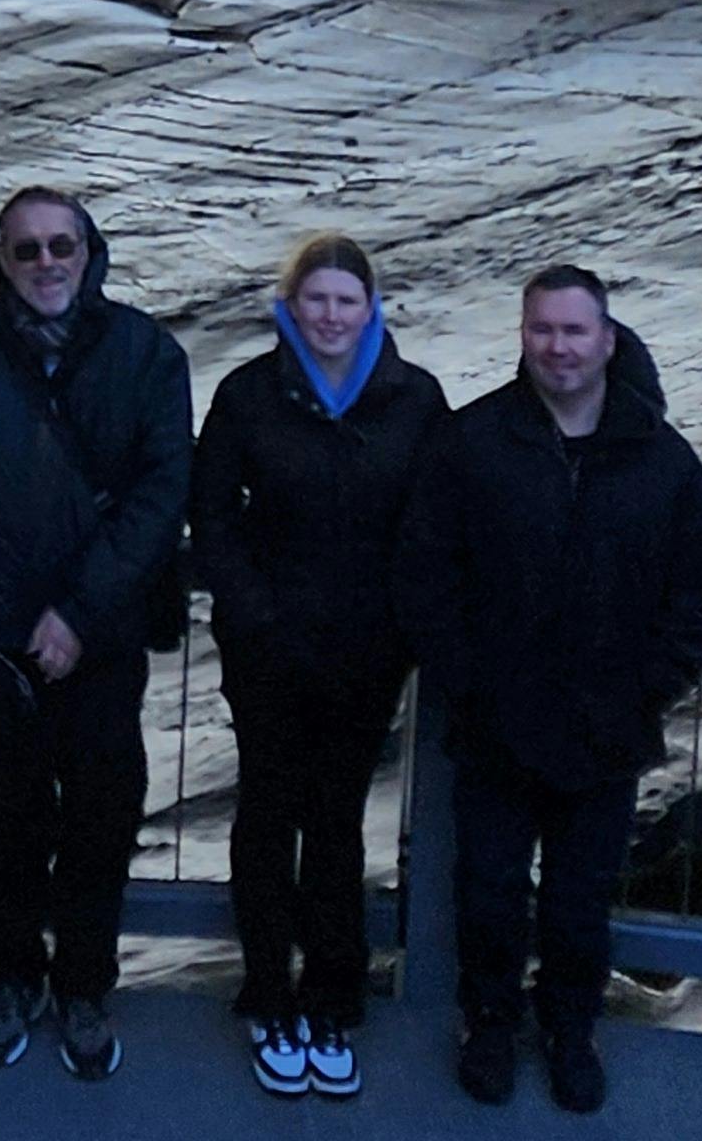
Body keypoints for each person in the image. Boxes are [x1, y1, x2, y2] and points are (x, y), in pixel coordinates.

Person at [396, 267, 702, 1117]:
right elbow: (424, 575)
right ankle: (490, 1025)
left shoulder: (663, 459)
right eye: (543, 330)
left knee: (583, 901)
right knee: (490, 891)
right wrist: (467, 685)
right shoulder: (473, 441)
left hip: (607, 730)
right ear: (523, 337)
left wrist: (647, 691)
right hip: (495, 724)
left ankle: (572, 1032)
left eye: (575, 331)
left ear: (608, 341)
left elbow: (701, 590)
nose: (558, 347)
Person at [0, 185, 193, 1081]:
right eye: (25, 250)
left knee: (104, 817)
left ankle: (85, 987)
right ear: (0, 260)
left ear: (88, 249)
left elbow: (161, 492)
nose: (45, 264)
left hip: (100, 640)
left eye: (60, 245)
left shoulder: (146, 352)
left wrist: (79, 611)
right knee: (9, 819)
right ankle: (12, 979)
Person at [191, 232, 449, 1102]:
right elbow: (213, 519)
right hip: (266, 652)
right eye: (317, 300)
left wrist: (401, 629)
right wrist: (256, 618)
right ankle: (267, 992)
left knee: (337, 824)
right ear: (290, 305)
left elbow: (432, 527)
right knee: (267, 815)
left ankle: (333, 996)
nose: (332, 315)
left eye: (347, 301)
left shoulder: (415, 399)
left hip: (368, 656)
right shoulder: (247, 395)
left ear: (371, 309)